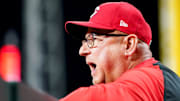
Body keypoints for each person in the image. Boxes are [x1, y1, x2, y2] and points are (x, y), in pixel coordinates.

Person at [60, 2, 180, 101]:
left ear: (129, 45)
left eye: (93, 39)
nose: (82, 51)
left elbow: (92, 97)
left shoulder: (152, 78)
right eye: (85, 41)